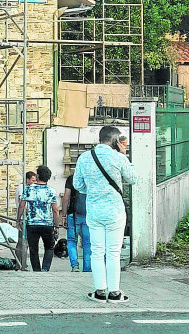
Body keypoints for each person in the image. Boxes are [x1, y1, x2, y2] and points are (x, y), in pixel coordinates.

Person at [74, 126, 137, 303]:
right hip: (115, 211)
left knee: (97, 251)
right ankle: (115, 292)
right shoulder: (118, 157)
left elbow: (78, 185)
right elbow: (133, 178)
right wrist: (124, 155)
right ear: (116, 141)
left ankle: (100, 291)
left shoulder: (84, 158)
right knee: (113, 252)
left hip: (94, 210)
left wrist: (94, 190)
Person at [18, 165, 59, 272]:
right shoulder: (51, 191)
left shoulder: (28, 189)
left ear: (37, 176)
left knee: (33, 249)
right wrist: (57, 226)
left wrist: (18, 219)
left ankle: (36, 270)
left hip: (32, 223)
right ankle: (45, 269)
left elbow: (22, 205)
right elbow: (55, 210)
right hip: (47, 223)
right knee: (49, 247)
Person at [61, 173, 90, 272]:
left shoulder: (71, 178)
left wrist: (63, 215)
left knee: (72, 241)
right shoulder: (91, 176)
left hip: (72, 215)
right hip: (88, 215)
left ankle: (75, 265)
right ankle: (87, 268)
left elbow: (66, 198)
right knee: (87, 243)